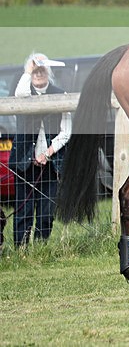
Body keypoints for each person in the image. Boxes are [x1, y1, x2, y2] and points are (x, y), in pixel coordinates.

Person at [10, 53, 71, 246]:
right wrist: (28, 70)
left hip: (51, 163)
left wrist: (48, 153)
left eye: (41, 70)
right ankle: (21, 249)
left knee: (46, 212)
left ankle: (40, 247)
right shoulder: (23, 91)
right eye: (34, 71)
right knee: (23, 210)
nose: (38, 74)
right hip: (24, 161)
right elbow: (20, 94)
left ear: (49, 72)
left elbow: (66, 131)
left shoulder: (60, 94)